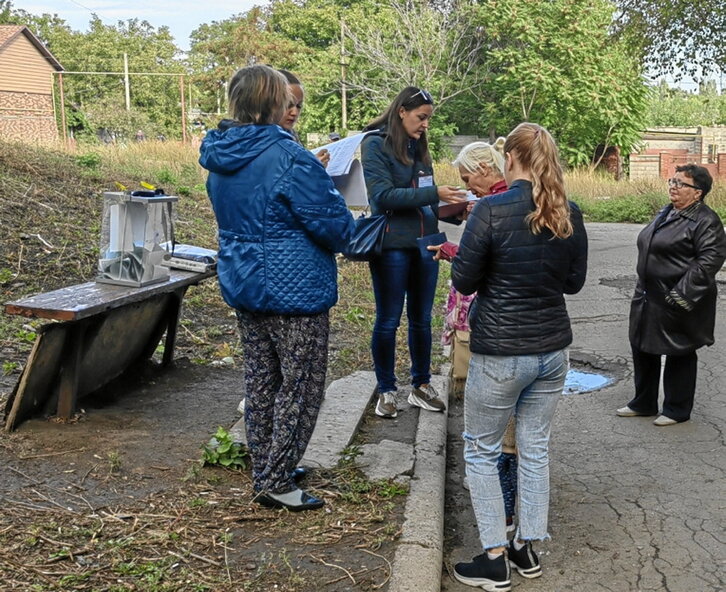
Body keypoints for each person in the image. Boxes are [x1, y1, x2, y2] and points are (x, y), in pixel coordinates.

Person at [199, 65, 354, 512]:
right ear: (271, 102)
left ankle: (267, 466)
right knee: (300, 385)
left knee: (262, 379)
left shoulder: (222, 152)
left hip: (244, 278)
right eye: (287, 100)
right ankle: (278, 479)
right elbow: (333, 226)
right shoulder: (289, 156)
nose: (293, 108)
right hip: (294, 286)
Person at [451, 122, 588, 590]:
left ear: (509, 158)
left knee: (481, 450)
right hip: (551, 352)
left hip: (501, 351)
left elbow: (464, 282)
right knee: (533, 450)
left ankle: (493, 557)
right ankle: (524, 546)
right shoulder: (569, 212)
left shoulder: (490, 209)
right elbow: (573, 283)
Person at [360, 86, 466, 419]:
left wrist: (452, 209)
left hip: (426, 245)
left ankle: (421, 385)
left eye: (428, 119)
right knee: (388, 320)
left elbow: (424, 197)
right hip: (391, 246)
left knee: (421, 320)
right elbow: (384, 197)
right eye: (421, 118)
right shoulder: (374, 144)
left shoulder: (418, 145)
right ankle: (387, 390)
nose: (425, 125)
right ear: (402, 111)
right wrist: (434, 193)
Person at [434, 140, 519, 534]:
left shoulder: (492, 208)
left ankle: (498, 516)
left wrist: (457, 252)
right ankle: (516, 515)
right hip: (531, 331)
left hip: (492, 324)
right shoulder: (533, 203)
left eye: (469, 178)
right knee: (519, 429)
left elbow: (477, 271)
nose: (468, 186)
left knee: (493, 420)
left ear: (488, 167)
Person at [617, 164, 726, 426]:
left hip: (678, 299)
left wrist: (681, 295)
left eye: (680, 184)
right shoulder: (666, 212)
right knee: (642, 346)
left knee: (680, 350)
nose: (673, 187)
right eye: (672, 181)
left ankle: (676, 409)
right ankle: (643, 403)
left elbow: (711, 259)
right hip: (648, 295)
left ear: (697, 192)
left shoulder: (705, 220)